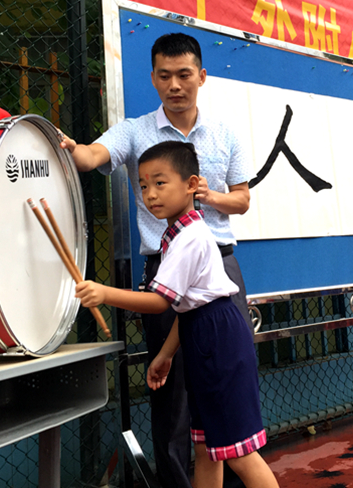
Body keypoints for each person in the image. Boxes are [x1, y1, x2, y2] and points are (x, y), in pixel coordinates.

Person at [60, 32, 252, 488]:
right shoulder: (134, 131)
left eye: (184, 75)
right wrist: (70, 149)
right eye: (165, 76)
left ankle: (239, 476)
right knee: (171, 387)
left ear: (201, 76)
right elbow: (92, 155)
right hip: (165, 267)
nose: (175, 85)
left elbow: (242, 200)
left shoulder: (224, 133)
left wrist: (207, 196)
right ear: (152, 78)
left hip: (220, 265)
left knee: (225, 382)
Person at [76, 141, 279, 488]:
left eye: (160, 182)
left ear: (191, 185)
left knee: (238, 453)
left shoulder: (190, 238)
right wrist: (167, 354)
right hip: (203, 332)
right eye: (143, 186)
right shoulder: (179, 232)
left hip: (217, 340)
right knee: (206, 446)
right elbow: (187, 308)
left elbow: (161, 302)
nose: (150, 194)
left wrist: (105, 293)